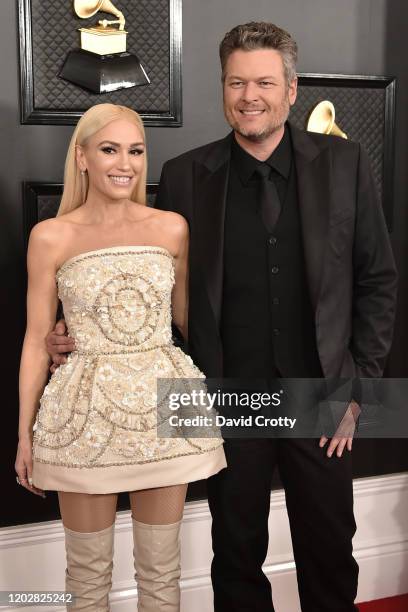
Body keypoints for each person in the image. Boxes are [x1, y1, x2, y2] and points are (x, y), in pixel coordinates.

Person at [46, 22, 398, 612]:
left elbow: (377, 281)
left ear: (291, 90)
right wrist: (74, 332)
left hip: (322, 393)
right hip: (220, 396)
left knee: (331, 548)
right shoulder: (186, 175)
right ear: (222, 87)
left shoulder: (346, 163)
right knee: (234, 553)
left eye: (264, 81)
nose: (249, 95)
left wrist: (358, 389)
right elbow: (140, 274)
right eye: (236, 82)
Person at [15, 103, 226, 612]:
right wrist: (23, 434)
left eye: (135, 150)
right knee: (86, 578)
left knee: (161, 573)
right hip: (82, 420)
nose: (124, 163)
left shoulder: (172, 227)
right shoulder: (50, 236)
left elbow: (189, 323)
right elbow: (35, 337)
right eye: (109, 149)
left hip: (164, 410)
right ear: (82, 156)